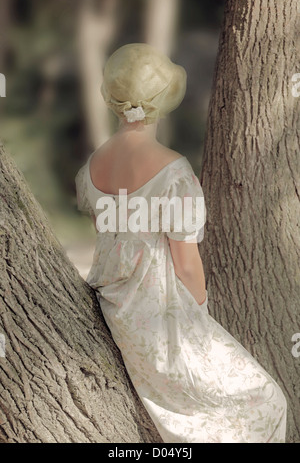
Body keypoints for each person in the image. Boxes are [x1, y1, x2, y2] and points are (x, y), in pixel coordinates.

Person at [75, 43, 287, 443]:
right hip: (163, 318)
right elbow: (186, 265)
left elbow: (112, 240)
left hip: (115, 311)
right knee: (268, 400)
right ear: (164, 98)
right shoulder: (174, 173)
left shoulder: (91, 168)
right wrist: (201, 314)